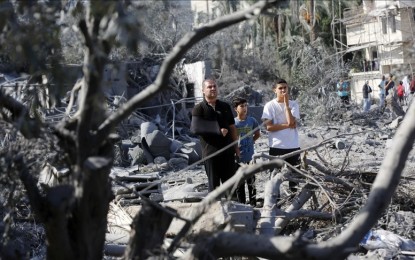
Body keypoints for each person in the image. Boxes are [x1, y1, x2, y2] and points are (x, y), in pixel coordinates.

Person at [190, 79, 240, 193]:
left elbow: (232, 127)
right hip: (211, 154)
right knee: (214, 189)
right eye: (209, 87)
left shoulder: (225, 106)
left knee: (231, 187)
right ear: (203, 90)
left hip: (228, 152)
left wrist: (236, 147)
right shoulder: (199, 108)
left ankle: (232, 209)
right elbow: (194, 128)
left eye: (214, 86)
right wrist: (217, 130)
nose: (213, 88)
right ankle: (215, 210)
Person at [261, 78, 301, 192]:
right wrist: (288, 125)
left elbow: (292, 121)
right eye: (280, 88)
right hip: (276, 147)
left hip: (293, 146)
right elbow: (269, 127)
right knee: (274, 179)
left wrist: (287, 104)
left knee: (294, 179)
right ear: (275, 90)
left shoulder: (293, 104)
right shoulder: (269, 106)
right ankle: (275, 205)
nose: (283, 90)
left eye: (285, 88)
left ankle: (294, 204)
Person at [232, 97, 260, 206]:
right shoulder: (233, 123)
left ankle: (253, 204)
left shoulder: (252, 120)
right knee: (240, 184)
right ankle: (242, 205)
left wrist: (251, 142)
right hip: (238, 159)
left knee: (251, 183)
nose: (244, 108)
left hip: (251, 157)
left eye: (245, 106)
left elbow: (257, 134)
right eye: (241, 106)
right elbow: (232, 140)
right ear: (236, 109)